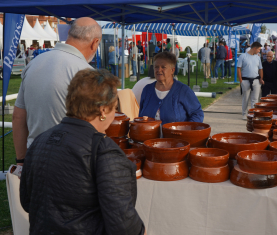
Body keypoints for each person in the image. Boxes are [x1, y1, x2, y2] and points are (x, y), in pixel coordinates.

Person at [20, 69, 145, 235]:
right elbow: (123, 224)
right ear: (103, 110)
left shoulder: (40, 141)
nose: (115, 113)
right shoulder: (104, 150)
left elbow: (28, 201)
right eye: (114, 107)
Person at [12, 17, 101, 166]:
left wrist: (21, 160)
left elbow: (18, 117)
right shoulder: (88, 74)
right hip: (71, 162)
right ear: (95, 43)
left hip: (35, 156)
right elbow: (95, 128)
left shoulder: (34, 63)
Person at [139, 52, 203, 125]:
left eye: (163, 67)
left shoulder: (183, 91)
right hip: (149, 136)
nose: (159, 70)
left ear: (172, 70)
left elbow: (197, 113)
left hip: (176, 136)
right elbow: (141, 118)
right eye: (156, 67)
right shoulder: (147, 90)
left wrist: (186, 130)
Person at [237, 42, 264, 120]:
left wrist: (261, 78)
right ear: (254, 48)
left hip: (256, 80)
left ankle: (253, 114)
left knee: (255, 99)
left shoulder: (258, 57)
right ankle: (244, 114)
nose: (259, 51)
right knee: (245, 98)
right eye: (259, 49)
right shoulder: (243, 56)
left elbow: (260, 69)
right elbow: (238, 68)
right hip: (245, 80)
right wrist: (240, 80)